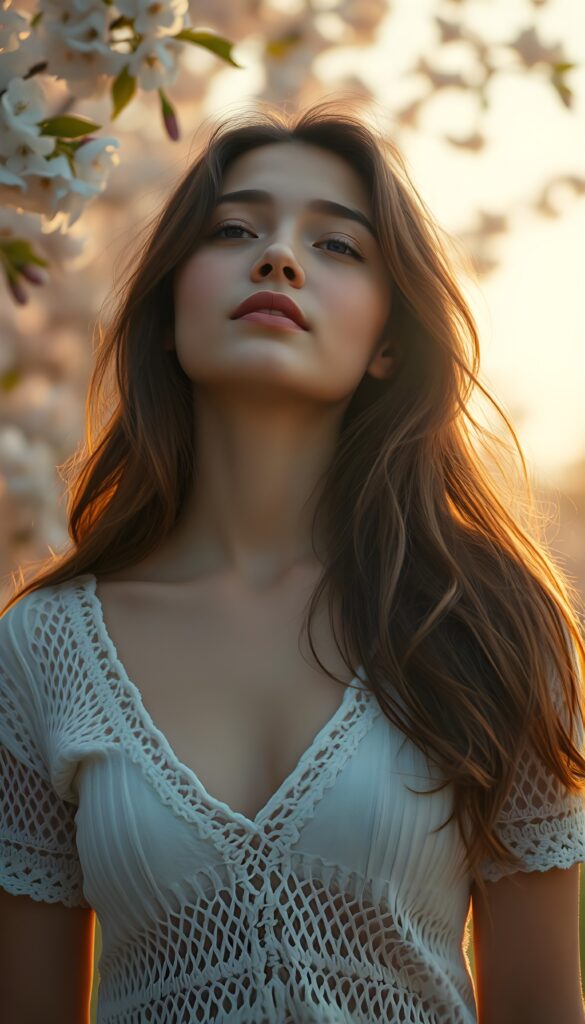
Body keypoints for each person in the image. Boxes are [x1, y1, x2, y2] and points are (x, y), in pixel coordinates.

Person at [1, 99, 585, 1024]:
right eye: (235, 229)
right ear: (166, 311)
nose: (277, 258)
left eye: (337, 247)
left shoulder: (487, 623)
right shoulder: (42, 649)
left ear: (389, 343)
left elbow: (541, 1006)